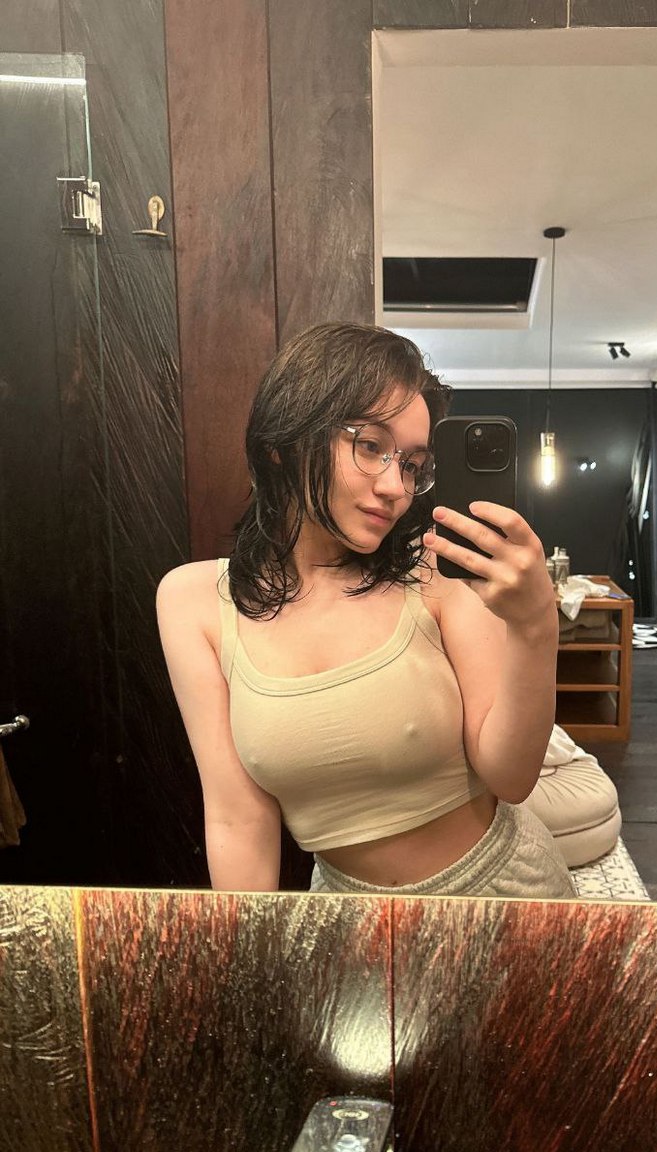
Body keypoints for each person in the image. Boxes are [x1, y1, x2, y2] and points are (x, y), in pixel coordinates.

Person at [156, 322, 576, 899]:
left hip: (498, 892)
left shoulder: (435, 573)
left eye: (412, 464)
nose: (396, 487)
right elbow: (237, 818)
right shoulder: (194, 602)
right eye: (372, 446)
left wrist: (534, 626)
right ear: (284, 442)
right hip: (342, 914)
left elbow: (513, 776)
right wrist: (249, 947)